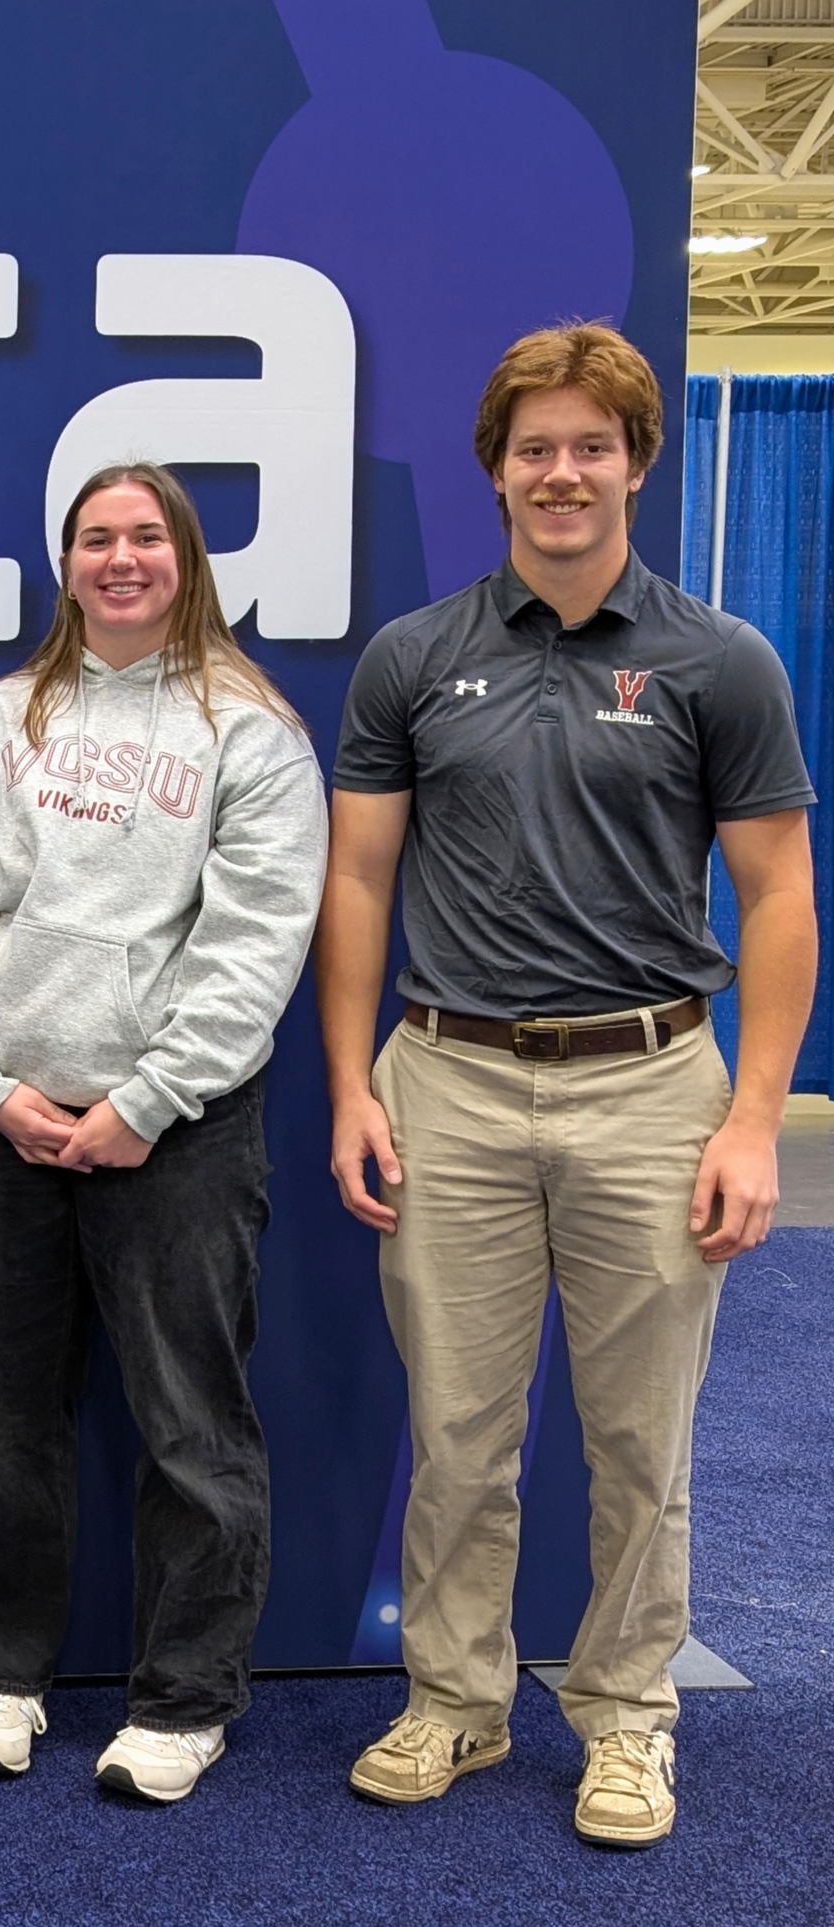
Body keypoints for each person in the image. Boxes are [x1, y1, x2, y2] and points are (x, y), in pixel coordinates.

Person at [321, 323, 817, 1848]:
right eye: (534, 447)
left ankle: (625, 1721)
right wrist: (352, 1085)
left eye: (590, 446)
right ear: (494, 473)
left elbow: (782, 892)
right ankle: (456, 1704)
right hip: (450, 1084)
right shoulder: (414, 656)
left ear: (637, 466)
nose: (561, 472)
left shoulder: (718, 660)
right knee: (460, 1430)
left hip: (652, 1088)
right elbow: (354, 880)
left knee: (637, 1439)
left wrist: (752, 1119)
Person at [0, 462, 327, 1804]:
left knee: (191, 1426)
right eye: (98, 538)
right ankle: (6, 1680)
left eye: (147, 537)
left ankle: (184, 1703)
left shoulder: (252, 733)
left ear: (186, 561)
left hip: (179, 1135)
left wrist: (145, 1103)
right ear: (66, 563)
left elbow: (258, 943)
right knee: (7, 1420)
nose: (122, 558)